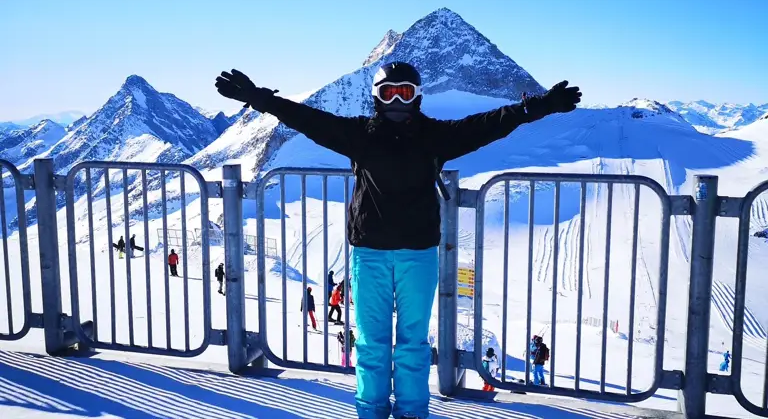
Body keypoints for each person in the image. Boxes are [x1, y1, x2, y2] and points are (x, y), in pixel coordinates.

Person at [215, 62, 580, 419]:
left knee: (413, 345)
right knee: (372, 345)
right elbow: (308, 120)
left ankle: (412, 412)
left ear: (417, 97)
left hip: (417, 255)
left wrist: (537, 107)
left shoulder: (436, 137)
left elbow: (486, 125)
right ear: (377, 97)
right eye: (388, 93)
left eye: (404, 93)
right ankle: (371, 412)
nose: (397, 101)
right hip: (370, 253)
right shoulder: (360, 134)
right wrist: (259, 98)